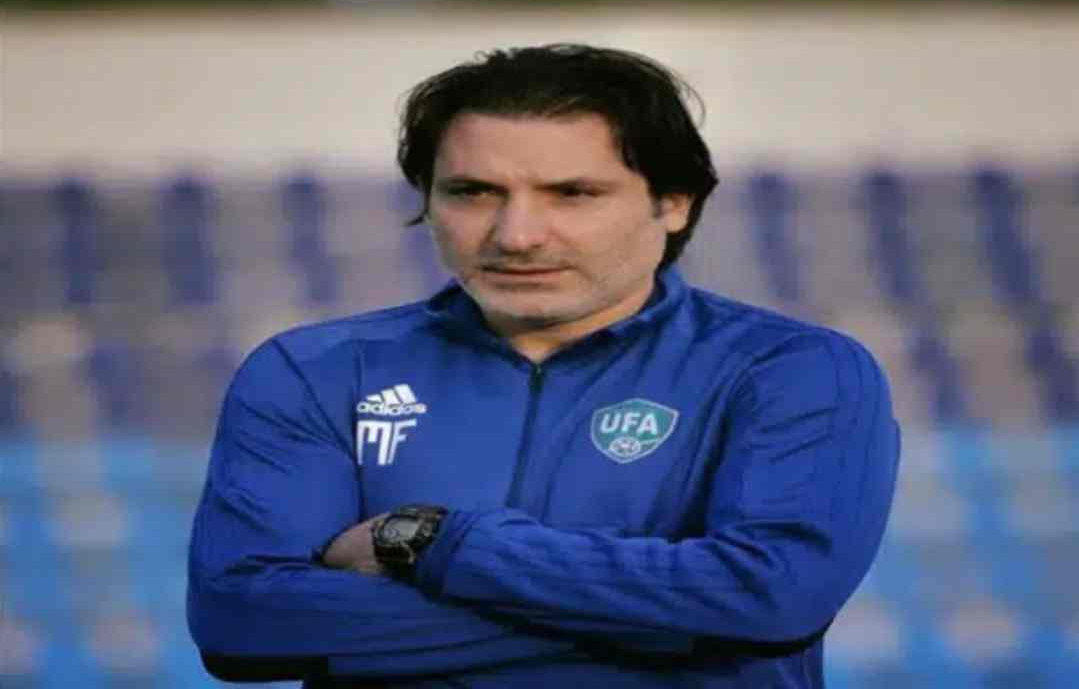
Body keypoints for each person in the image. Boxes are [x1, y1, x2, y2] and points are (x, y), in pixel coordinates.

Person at [187, 44, 900, 688]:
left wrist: (435, 542)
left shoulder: (792, 371)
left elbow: (770, 596)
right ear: (427, 201)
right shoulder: (314, 371)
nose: (517, 235)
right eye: (473, 192)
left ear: (674, 203)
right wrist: (665, 622)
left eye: (573, 193)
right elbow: (242, 623)